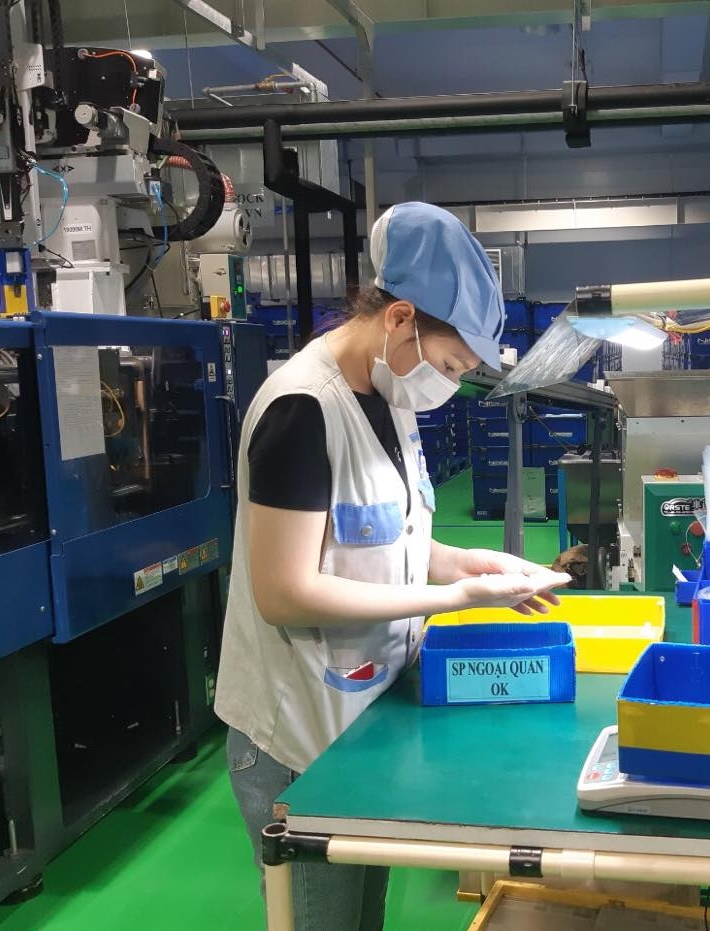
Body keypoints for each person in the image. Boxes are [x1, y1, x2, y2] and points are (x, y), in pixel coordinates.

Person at [216, 202, 567, 930]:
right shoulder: (303, 411)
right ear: (401, 318)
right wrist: (455, 598)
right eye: (451, 365)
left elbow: (385, 539)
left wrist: (467, 561)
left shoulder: (388, 394)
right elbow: (284, 592)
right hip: (297, 738)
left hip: (358, 724)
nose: (449, 383)